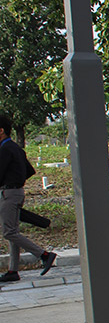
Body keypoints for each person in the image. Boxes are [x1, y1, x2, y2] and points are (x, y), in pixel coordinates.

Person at [0, 115, 56, 283]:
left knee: (8, 232)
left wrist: (10, 181)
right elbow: (30, 170)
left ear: (1, 131)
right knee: (13, 232)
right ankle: (13, 270)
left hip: (8, 193)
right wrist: (17, 179)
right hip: (17, 192)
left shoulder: (4, 150)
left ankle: (44, 255)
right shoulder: (16, 148)